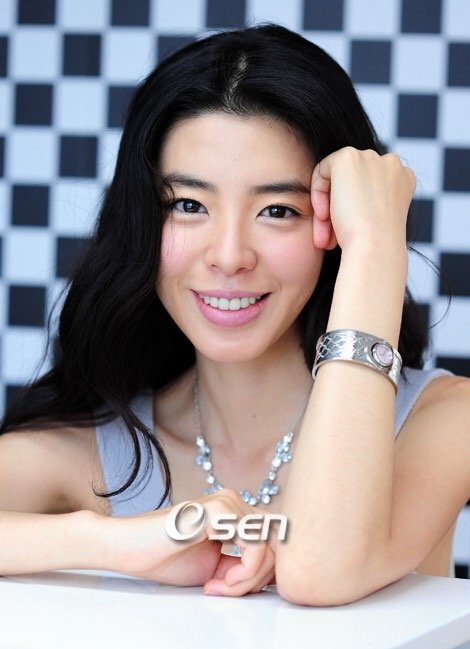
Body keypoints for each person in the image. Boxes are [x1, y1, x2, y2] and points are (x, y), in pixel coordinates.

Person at [1, 23, 469, 607]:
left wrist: (375, 244)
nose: (228, 256)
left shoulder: (445, 421)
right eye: (188, 204)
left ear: (337, 226)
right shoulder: (96, 449)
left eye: (278, 210)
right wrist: (114, 542)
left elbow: (320, 570)